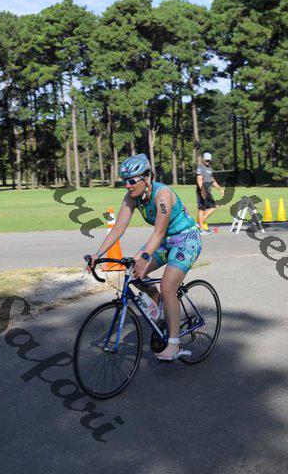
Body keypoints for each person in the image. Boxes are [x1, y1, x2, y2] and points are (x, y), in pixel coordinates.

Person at [87, 153, 202, 361]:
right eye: (125, 181)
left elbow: (159, 232)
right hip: (164, 240)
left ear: (147, 177)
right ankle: (157, 302)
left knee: (168, 286)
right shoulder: (131, 197)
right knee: (133, 272)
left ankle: (174, 343)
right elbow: (118, 228)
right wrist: (97, 254)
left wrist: (145, 256)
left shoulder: (162, 196)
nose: (127, 186)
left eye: (132, 181)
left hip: (186, 239)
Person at [196, 152, 224, 234]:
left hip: (208, 190)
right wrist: (202, 190)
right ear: (203, 160)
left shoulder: (210, 169)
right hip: (202, 190)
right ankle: (201, 230)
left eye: (209, 160)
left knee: (213, 207)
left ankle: (200, 223)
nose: (207, 162)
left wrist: (220, 189)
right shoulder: (200, 168)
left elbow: (212, 180)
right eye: (206, 160)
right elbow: (199, 179)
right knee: (202, 209)